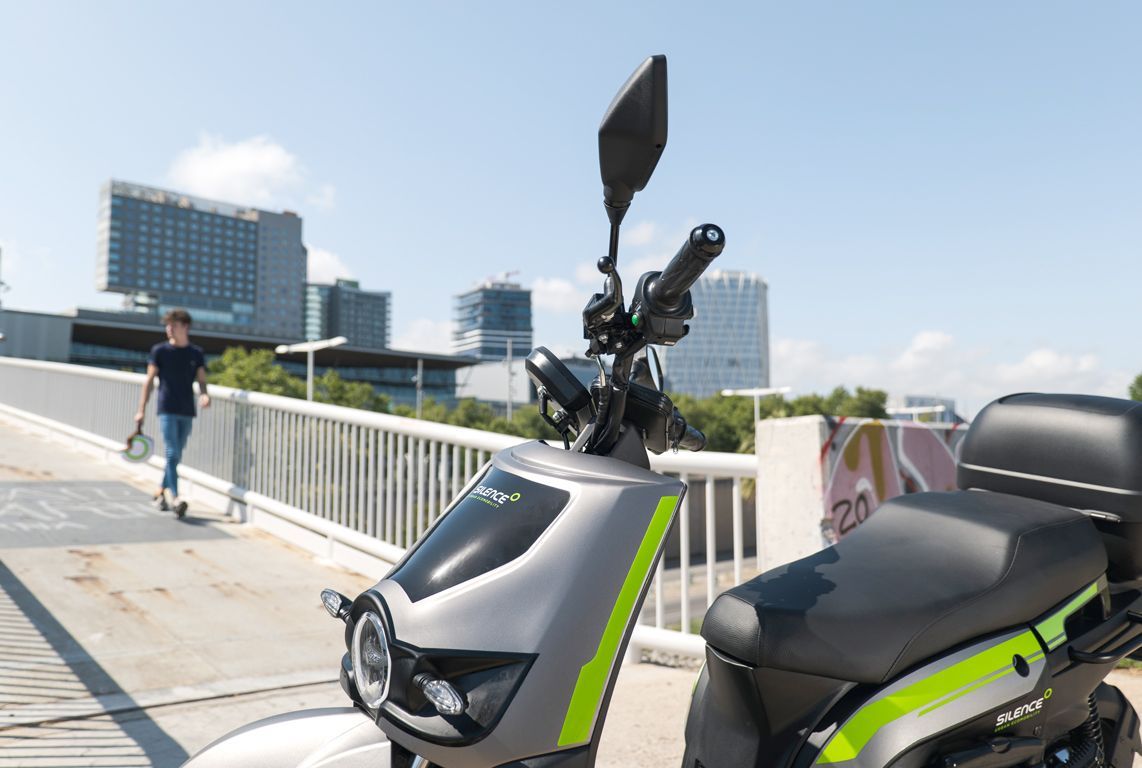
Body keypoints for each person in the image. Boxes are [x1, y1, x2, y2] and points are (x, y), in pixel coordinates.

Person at [134, 308, 210, 518]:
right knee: (172, 453)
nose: (169, 329)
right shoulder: (160, 351)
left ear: (185, 327)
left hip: (187, 410)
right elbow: (149, 381)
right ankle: (176, 498)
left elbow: (202, 380)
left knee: (175, 456)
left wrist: (205, 395)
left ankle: (160, 491)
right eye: (168, 325)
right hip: (166, 408)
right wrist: (141, 410)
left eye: (173, 325)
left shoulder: (196, 353)